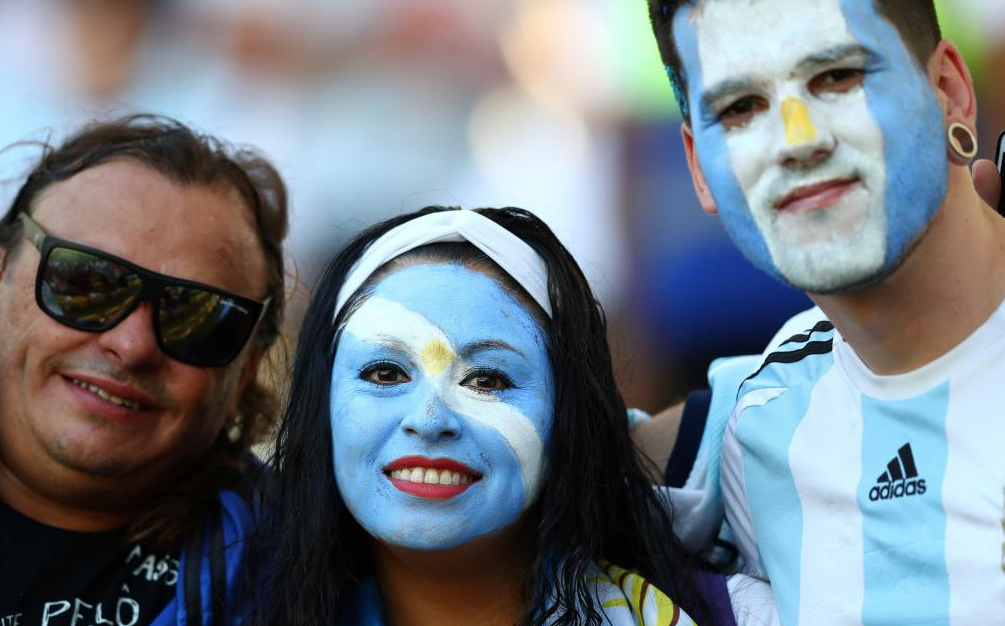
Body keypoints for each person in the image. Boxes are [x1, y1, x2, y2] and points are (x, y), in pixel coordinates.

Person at [642, 0, 1005, 622]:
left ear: (949, 91)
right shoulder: (750, 428)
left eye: (837, 76)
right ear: (700, 169)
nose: (799, 140)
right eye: (739, 109)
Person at [0, 114, 288, 624]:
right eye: (86, 283)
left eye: (198, 318)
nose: (132, 344)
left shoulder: (296, 565)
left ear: (244, 372)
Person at [245, 206, 777, 625]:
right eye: (386, 374)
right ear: (321, 405)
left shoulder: (733, 616)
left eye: (488, 380)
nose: (430, 419)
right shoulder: (228, 604)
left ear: (567, 419)